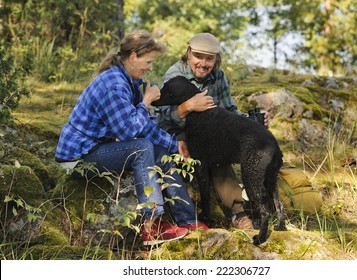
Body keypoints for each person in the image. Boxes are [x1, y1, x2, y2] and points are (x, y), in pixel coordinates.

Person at [55, 30, 208, 246]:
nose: (150, 67)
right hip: (79, 158)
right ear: (133, 56)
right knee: (142, 148)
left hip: (98, 148)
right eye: (149, 61)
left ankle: (187, 219)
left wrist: (176, 145)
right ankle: (151, 225)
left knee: (161, 152)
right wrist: (145, 102)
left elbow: (143, 126)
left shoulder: (129, 80)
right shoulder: (114, 85)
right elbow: (128, 132)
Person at [156, 33, 271, 230]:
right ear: (188, 54)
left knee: (220, 152)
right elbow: (162, 115)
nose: (203, 63)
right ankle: (190, 215)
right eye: (198, 56)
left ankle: (238, 214)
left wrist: (251, 122)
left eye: (209, 58)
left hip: (208, 132)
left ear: (216, 59)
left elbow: (230, 110)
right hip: (177, 132)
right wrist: (188, 106)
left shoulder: (218, 77)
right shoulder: (175, 75)